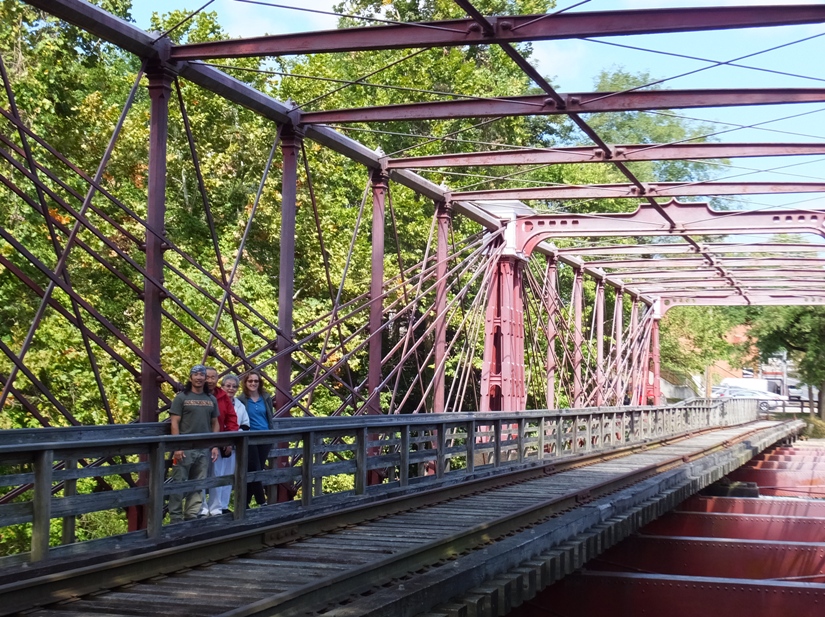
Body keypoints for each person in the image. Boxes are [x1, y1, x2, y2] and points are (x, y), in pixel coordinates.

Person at [168, 364, 220, 523]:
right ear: (190, 378)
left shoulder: (211, 399)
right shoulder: (181, 398)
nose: (199, 378)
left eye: (201, 375)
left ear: (205, 378)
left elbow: (215, 423)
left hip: (203, 448)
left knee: (199, 484)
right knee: (178, 483)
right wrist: (177, 446)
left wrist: (214, 444)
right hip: (184, 448)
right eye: (195, 375)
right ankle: (175, 518)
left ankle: (191, 515)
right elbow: (174, 422)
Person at [204, 368, 239, 516]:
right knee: (200, 474)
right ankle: (200, 508)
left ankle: (216, 508)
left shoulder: (222, 396)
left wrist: (229, 439)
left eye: (214, 377)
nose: (210, 380)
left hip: (218, 439)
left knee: (217, 474)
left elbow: (231, 418)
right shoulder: (194, 394)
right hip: (198, 439)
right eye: (207, 377)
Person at [236, 371, 274, 507]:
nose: (253, 383)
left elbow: (270, 416)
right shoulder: (241, 399)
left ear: (259, 383)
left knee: (254, 470)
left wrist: (271, 432)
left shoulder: (266, 397)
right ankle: (261, 501)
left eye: (256, 381)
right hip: (250, 438)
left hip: (265, 438)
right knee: (255, 468)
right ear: (245, 383)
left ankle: (244, 504)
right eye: (250, 381)